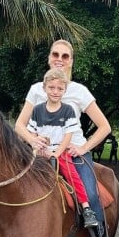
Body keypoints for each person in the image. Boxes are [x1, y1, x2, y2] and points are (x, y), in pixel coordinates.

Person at [0, 40, 118, 237]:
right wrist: (33, 139)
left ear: (71, 61)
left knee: (91, 197)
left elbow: (105, 127)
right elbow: (19, 125)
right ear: (49, 58)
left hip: (72, 155)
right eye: (55, 54)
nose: (60, 58)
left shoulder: (79, 92)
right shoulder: (36, 90)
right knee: (2, 191)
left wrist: (82, 147)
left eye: (65, 55)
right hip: (38, 156)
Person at [26, 68, 99, 228]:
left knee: (72, 174)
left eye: (60, 89)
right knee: (21, 173)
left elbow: (68, 134)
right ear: (44, 88)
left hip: (60, 152)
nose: (55, 92)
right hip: (42, 152)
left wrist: (57, 153)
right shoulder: (38, 110)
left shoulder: (67, 110)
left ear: (65, 90)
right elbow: (31, 129)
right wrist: (36, 141)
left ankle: (86, 208)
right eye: (51, 88)